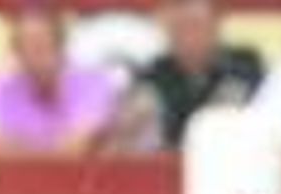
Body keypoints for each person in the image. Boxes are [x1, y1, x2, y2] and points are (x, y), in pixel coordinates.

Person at [108, 0, 266, 150]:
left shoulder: (244, 63)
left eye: (196, 26)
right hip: (171, 165)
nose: (189, 37)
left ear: (215, 26)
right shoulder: (155, 73)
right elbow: (129, 131)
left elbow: (265, 110)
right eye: (180, 28)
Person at [0, 3, 121, 155]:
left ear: (60, 45)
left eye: (40, 46)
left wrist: (18, 146)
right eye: (23, 47)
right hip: (20, 178)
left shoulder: (93, 83)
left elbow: (79, 146)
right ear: (15, 51)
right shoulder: (3, 88)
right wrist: (54, 146)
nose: (32, 57)